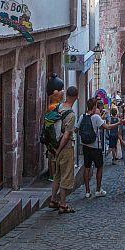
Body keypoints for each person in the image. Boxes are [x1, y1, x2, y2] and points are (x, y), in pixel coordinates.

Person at [77, 97, 120, 198]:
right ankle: (98, 189)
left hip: (85, 146)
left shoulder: (82, 117)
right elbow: (107, 127)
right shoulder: (96, 117)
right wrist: (119, 123)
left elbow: (76, 129)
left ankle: (87, 191)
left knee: (86, 168)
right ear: (94, 106)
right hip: (96, 146)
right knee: (99, 168)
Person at [50, 85, 78, 214]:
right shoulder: (71, 114)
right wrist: (59, 149)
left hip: (54, 145)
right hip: (65, 148)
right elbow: (67, 135)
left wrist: (55, 149)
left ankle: (53, 200)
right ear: (76, 97)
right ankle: (63, 204)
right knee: (66, 176)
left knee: (57, 175)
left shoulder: (59, 107)